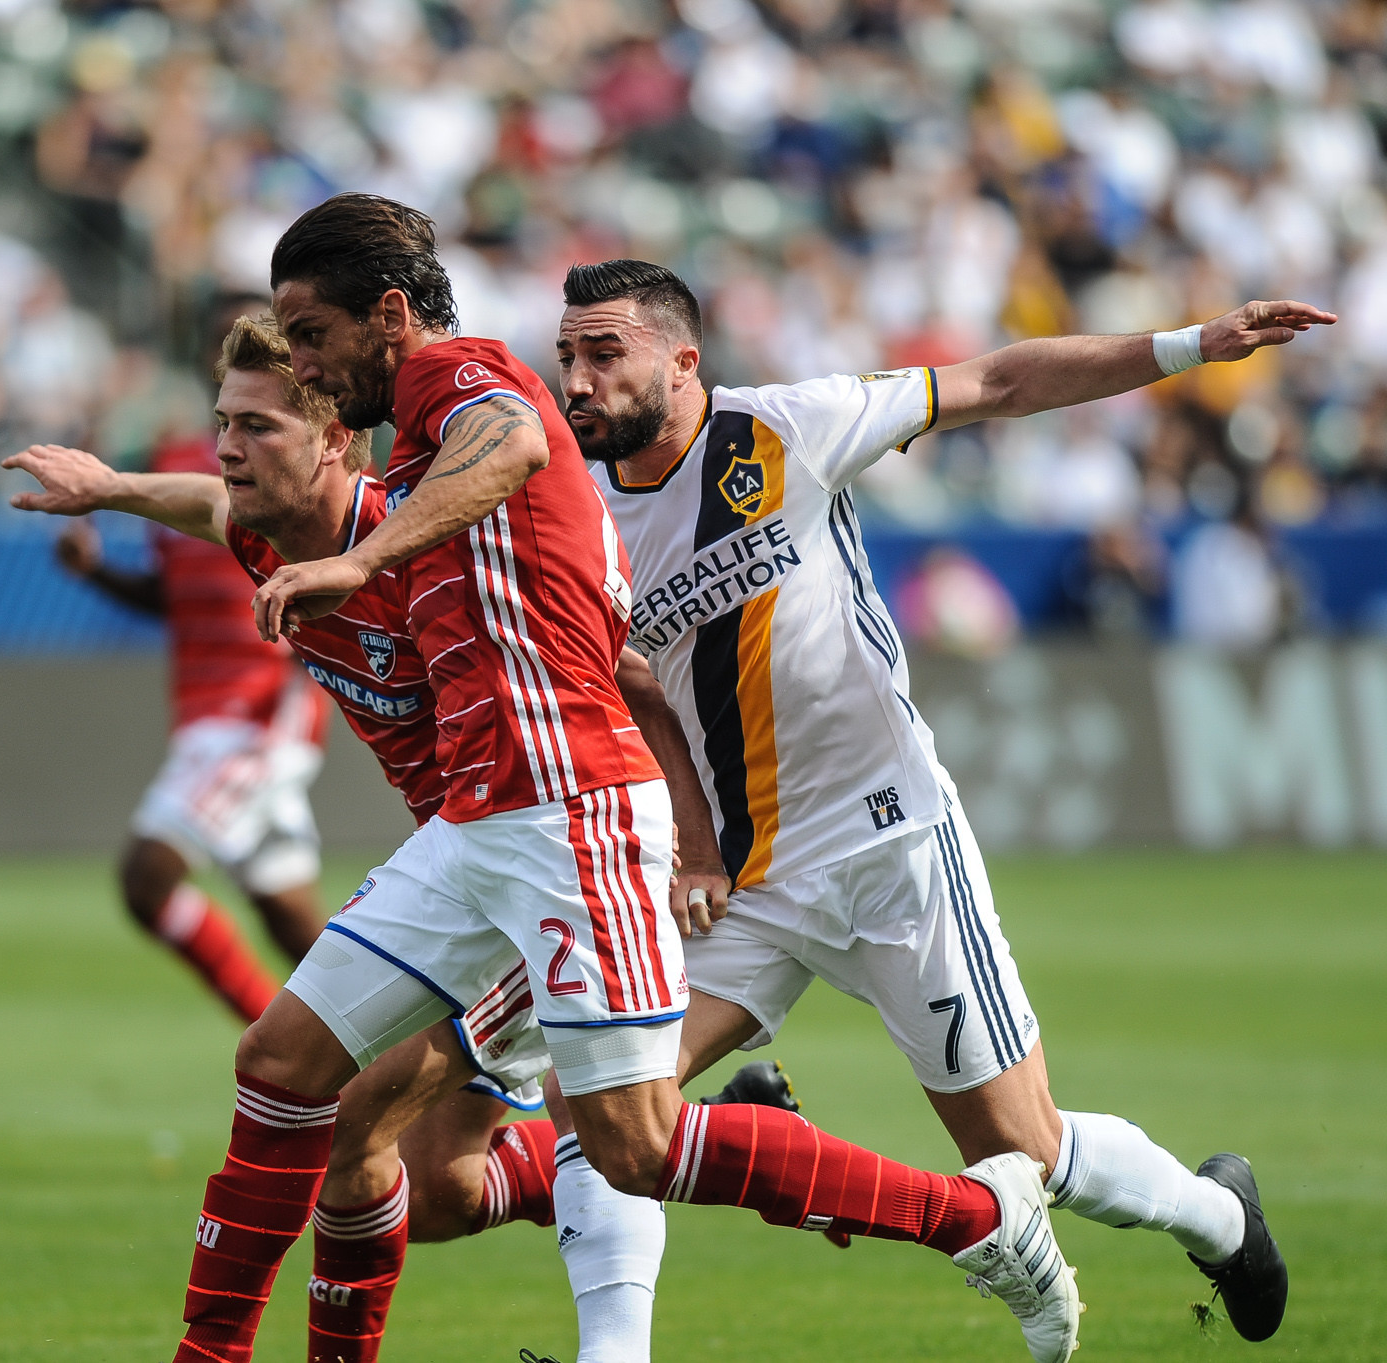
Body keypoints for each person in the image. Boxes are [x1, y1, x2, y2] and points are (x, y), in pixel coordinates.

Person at [172, 194, 1084, 1363]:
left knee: (630, 1148)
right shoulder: (405, 435)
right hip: (475, 824)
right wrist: (115, 486)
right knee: (285, 1067)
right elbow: (246, 500)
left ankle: (975, 1214)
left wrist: (362, 555)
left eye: (309, 335)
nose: (300, 365)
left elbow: (511, 444)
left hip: (573, 814)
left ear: (386, 316)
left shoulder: (463, 382)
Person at [551, 258, 1322, 1345]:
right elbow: (637, 689)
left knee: (1022, 1154)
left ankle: (1217, 1213)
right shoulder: (582, 518)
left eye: (602, 354)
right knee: (598, 1101)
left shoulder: (786, 429)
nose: (576, 381)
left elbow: (997, 383)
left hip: (888, 842)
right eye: (565, 358)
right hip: (745, 878)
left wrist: (1188, 344)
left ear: (681, 362)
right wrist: (686, 839)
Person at [9, 313, 799, 1363]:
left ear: (335, 435)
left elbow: (626, 685)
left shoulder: (418, 534)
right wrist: (108, 486)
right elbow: (203, 506)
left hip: (556, 850)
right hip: (469, 866)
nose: (229, 450)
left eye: (259, 424)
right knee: (434, 1187)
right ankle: (753, 1133)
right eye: (222, 423)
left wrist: (696, 850)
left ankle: (939, 1213)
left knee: (361, 1127)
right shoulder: (272, 529)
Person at [51, 430, 330, 1022]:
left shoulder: (301, 457)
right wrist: (96, 571)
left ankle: (276, 1045)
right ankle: (487, 1101)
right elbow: (172, 593)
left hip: (258, 719)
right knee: (309, 939)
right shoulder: (176, 460)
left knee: (146, 878)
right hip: (204, 718)